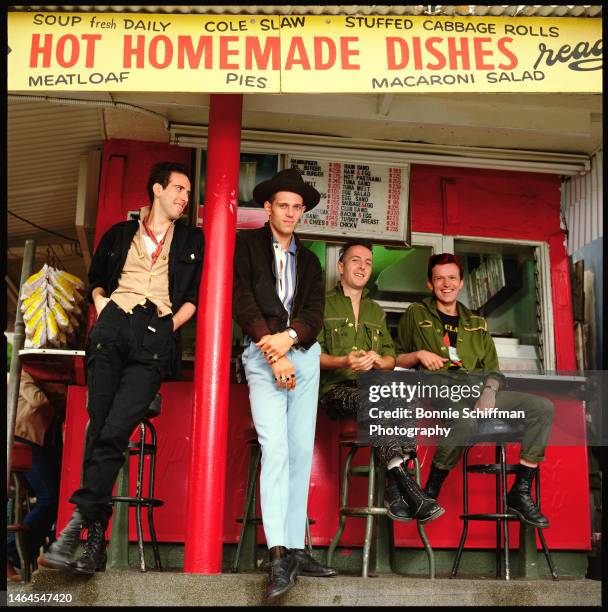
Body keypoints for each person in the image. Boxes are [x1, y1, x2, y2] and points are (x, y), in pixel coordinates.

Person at [44, 161, 204, 574]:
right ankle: (94, 542)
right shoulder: (119, 234)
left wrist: (170, 326)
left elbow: (194, 297)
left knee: (115, 429)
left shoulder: (191, 240)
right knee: (98, 428)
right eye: (178, 189)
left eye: (188, 192)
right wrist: (103, 305)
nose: (184, 198)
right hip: (113, 327)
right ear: (156, 189)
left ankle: (78, 524)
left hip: (155, 333)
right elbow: (96, 278)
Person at [233, 168, 337, 601]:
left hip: (304, 356)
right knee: (275, 450)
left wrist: (290, 340)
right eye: (284, 205)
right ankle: (277, 554)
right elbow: (241, 299)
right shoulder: (246, 246)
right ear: (268, 208)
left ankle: (296, 547)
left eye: (298, 207)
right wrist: (272, 349)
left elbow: (313, 314)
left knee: (298, 451)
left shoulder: (310, 260)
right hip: (262, 355)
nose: (292, 212)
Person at [395, 253, 554, 528]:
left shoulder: (476, 321)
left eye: (452, 278)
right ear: (430, 285)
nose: (446, 284)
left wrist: (490, 390)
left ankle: (520, 491)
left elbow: (493, 370)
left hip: (476, 391)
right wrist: (419, 353)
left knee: (542, 408)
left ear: (461, 282)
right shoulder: (416, 313)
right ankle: (430, 492)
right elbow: (396, 358)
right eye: (439, 278)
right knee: (465, 420)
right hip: (439, 386)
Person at [318, 240, 444, 524]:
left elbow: (391, 360)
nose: (362, 266)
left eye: (368, 262)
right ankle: (406, 487)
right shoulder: (322, 305)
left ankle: (397, 488)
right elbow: (310, 358)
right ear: (340, 266)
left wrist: (377, 360)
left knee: (404, 396)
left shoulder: (376, 311)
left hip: (372, 389)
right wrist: (344, 361)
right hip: (335, 392)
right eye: (355, 260)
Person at [7, 371, 66, 581]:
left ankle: (20, 554)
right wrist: (55, 393)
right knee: (49, 498)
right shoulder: (21, 373)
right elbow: (37, 401)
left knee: (54, 500)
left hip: (33, 442)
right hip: (21, 439)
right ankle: (11, 552)